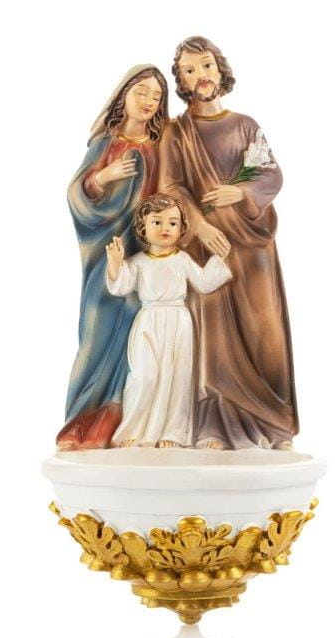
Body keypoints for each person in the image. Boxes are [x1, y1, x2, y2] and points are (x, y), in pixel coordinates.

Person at [158, 37, 298, 450]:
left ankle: (275, 423)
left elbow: (270, 174)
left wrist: (240, 192)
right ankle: (215, 426)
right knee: (214, 330)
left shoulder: (245, 125)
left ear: (219, 69)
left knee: (265, 326)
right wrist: (199, 227)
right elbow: (170, 186)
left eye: (205, 66)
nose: (200, 76)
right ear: (181, 81)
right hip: (208, 246)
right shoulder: (176, 133)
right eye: (189, 71)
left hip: (252, 244)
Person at [56, 65, 168, 451]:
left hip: (142, 257)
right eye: (141, 92)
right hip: (106, 255)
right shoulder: (105, 144)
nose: (149, 101)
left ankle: (113, 427)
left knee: (133, 343)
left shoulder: (158, 148)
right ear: (123, 96)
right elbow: (76, 195)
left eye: (156, 96)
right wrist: (104, 177)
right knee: (95, 335)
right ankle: (78, 424)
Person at [105, 194, 232, 448]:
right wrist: (116, 264)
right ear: (143, 227)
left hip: (178, 322)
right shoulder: (138, 262)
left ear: (181, 228)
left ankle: (172, 434)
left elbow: (204, 283)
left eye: (173, 223)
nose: (165, 228)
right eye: (157, 221)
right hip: (148, 322)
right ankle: (135, 429)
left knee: (177, 377)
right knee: (144, 376)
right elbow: (121, 287)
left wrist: (220, 258)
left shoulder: (182, 259)